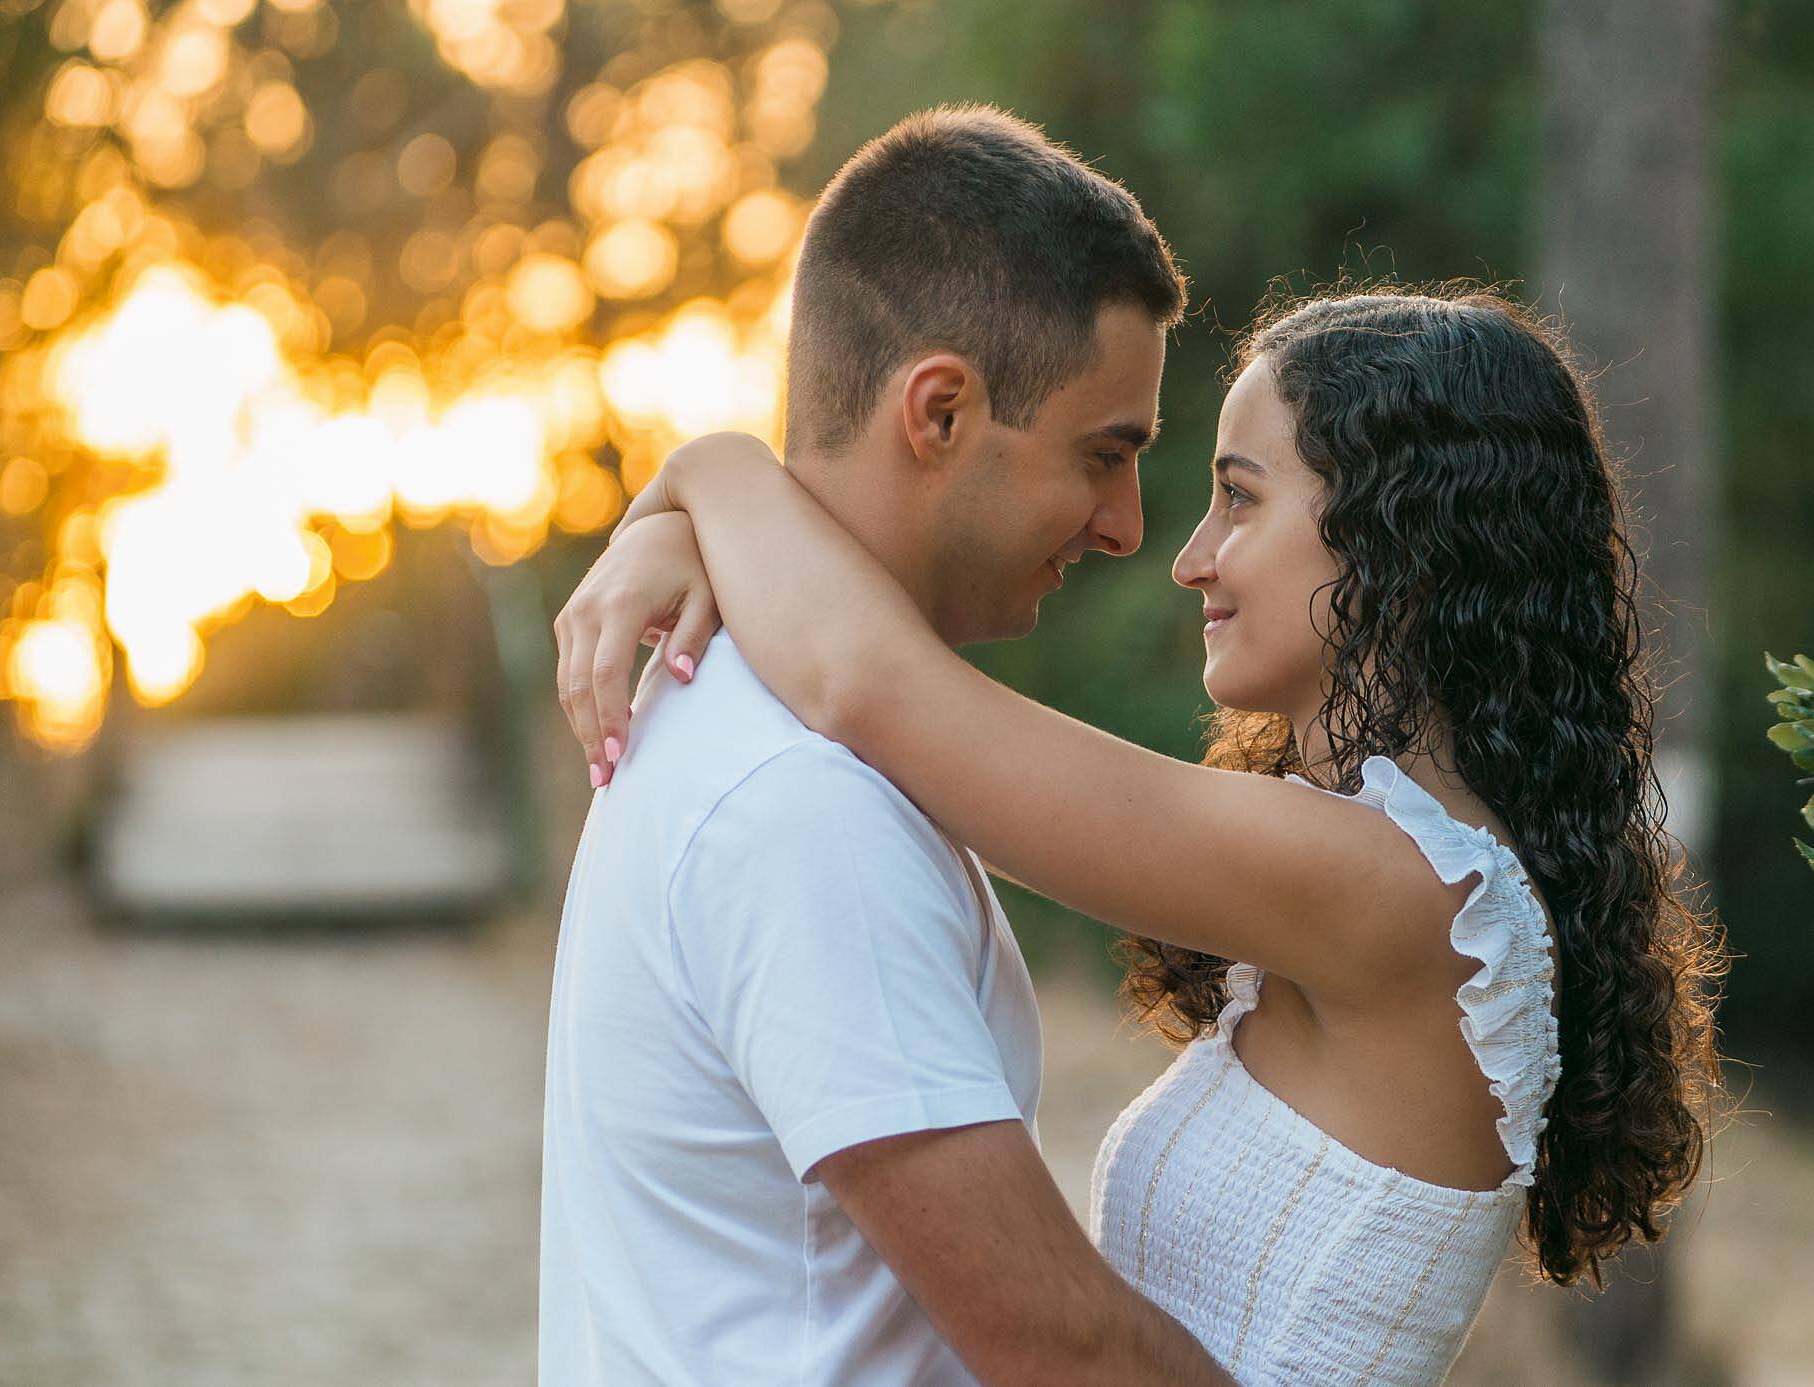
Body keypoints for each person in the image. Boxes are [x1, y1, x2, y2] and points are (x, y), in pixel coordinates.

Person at [555, 283, 1730, 1384]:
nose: (1187, 556)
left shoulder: (1394, 885)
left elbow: (868, 685)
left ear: (1391, 538)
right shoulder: (1386, 864)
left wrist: (705, 475)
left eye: (1241, 495)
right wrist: (686, 528)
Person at [540, 104, 1237, 1385]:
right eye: (1103, 455)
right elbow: (1057, 1343)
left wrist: (700, 477)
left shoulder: (786, 729)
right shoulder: (803, 802)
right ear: (938, 412)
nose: (1130, 526)